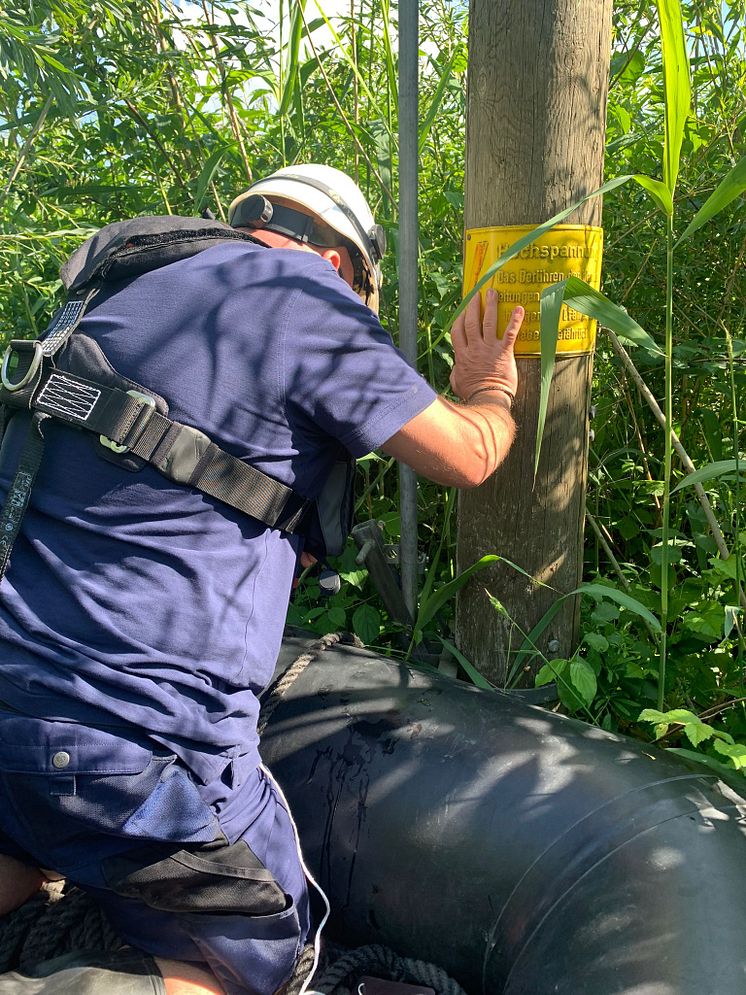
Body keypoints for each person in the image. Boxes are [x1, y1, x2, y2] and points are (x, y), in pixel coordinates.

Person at [0, 164, 523, 995]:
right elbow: (467, 454)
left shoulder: (122, 279)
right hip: (134, 744)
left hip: (11, 708)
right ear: (345, 267)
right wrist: (488, 387)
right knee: (267, 954)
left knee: (30, 830)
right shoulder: (306, 295)